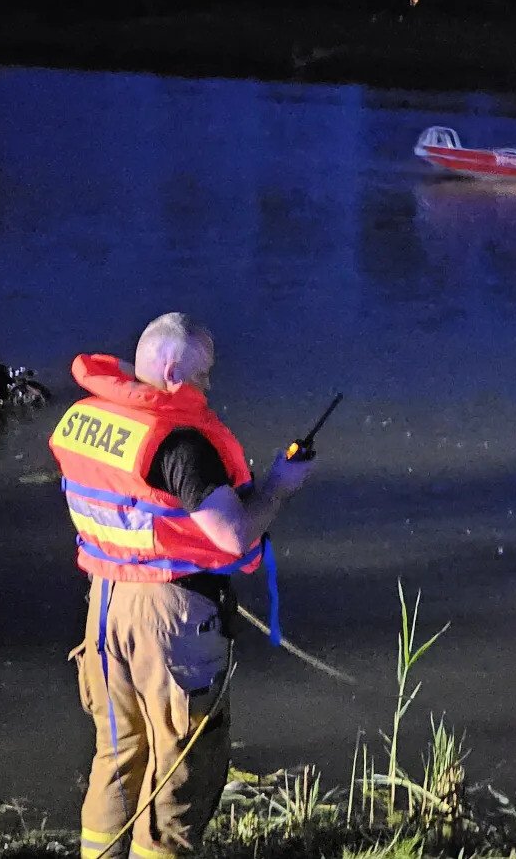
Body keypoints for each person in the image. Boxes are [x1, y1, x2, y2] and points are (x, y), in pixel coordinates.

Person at [49, 312, 316, 859]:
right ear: (172, 369)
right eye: (203, 374)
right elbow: (233, 536)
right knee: (181, 764)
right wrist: (280, 486)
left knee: (117, 754)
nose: (207, 386)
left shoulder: (92, 417)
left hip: (105, 604)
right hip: (168, 617)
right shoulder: (177, 443)